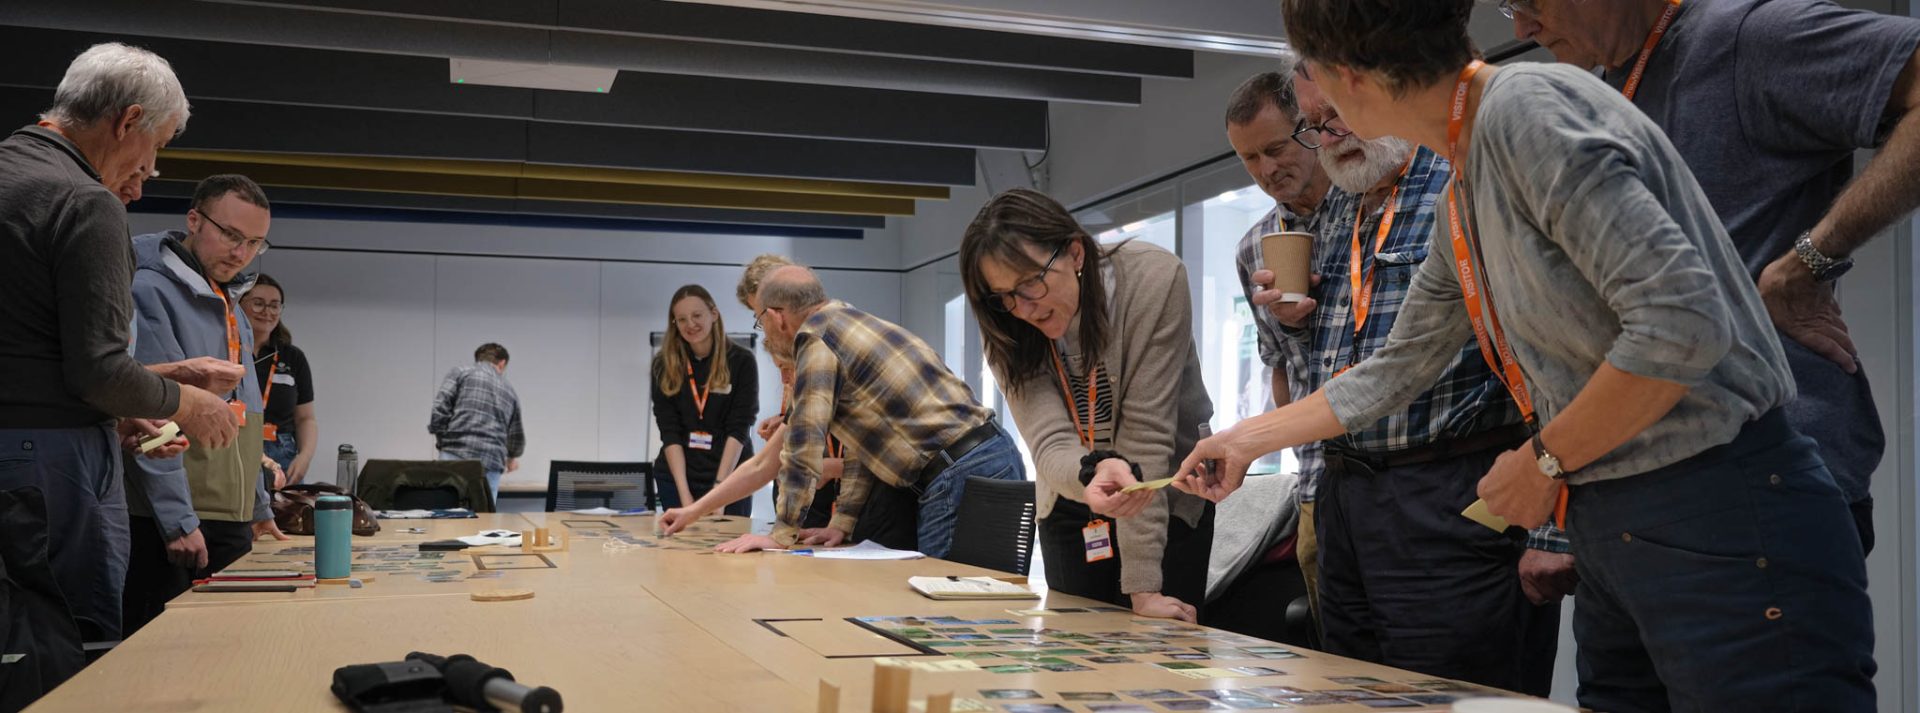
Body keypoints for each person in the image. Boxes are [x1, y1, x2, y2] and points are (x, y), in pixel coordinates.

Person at [1180, 1, 1874, 710]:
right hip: (1615, 517)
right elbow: (1398, 366)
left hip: (1720, 505)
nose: (1314, 124)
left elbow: (1682, 321)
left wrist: (1545, 458)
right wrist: (1242, 440)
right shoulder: (1467, 177)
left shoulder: (1526, 112)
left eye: (1311, 108)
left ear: (1345, 78)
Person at [1506, 0, 1920, 555]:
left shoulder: (1747, 38)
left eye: (1530, 3)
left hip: (1756, 480)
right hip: (1632, 492)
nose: (1522, 27)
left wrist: (1810, 261)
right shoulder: (1605, 90)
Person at [0, 42, 233, 642]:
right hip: (51, 462)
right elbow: (98, 370)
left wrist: (124, 411)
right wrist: (188, 404)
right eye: (156, 148)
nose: (150, 171)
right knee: (70, 641)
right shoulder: (83, 200)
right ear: (128, 121)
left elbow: (32, 348)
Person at [959, 188, 1214, 622]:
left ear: (1075, 253)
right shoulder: (1002, 323)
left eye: (1030, 283)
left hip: (1161, 494)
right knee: (1075, 654)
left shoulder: (1153, 279)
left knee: (1158, 663)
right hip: (1073, 491)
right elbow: (1048, 440)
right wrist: (1090, 472)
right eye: (1004, 295)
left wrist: (1144, 587)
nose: (1022, 308)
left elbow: (1147, 436)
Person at [688, 265, 1024, 559]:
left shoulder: (816, 342)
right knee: (980, 599)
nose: (766, 331)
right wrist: (842, 523)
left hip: (956, 472)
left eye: (760, 320)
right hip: (993, 454)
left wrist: (780, 534)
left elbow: (803, 450)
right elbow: (867, 446)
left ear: (777, 316)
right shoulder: (851, 323)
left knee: (949, 609)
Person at [122, 174, 288, 635]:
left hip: (225, 515)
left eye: (255, 242)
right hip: (173, 518)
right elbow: (150, 413)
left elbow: (245, 414)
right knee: (161, 659)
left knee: (229, 651)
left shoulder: (230, 301)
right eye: (231, 235)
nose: (241, 253)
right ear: (194, 220)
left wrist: (257, 507)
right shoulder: (149, 290)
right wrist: (176, 521)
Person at [1222, 62, 1339, 631]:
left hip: (1402, 468)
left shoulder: (1365, 211)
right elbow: (1278, 369)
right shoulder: (1254, 249)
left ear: (1310, 128)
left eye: (1275, 148)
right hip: (1318, 478)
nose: (1267, 169)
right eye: (1250, 158)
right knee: (1339, 656)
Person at [651, 285, 759, 516]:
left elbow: (739, 428)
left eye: (697, 315)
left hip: (730, 477)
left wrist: (720, 493)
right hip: (678, 477)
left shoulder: (741, 362)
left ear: (714, 314)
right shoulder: (664, 365)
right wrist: (685, 496)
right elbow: (669, 430)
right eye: (681, 319)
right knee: (678, 549)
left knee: (727, 548)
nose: (690, 324)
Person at [242, 273, 318, 484]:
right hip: (237, 445)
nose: (267, 312)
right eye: (258, 304)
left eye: (275, 305)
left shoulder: (292, 357)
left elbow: (305, 418)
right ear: (239, 305)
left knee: (286, 515)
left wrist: (304, 457)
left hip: (281, 452)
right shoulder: (228, 350)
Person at [429, 343, 526, 502]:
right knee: (485, 519)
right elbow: (516, 434)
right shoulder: (510, 390)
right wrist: (512, 457)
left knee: (445, 514)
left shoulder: (461, 373)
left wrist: (443, 442)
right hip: (492, 460)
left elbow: (440, 408)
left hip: (455, 452)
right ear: (502, 363)